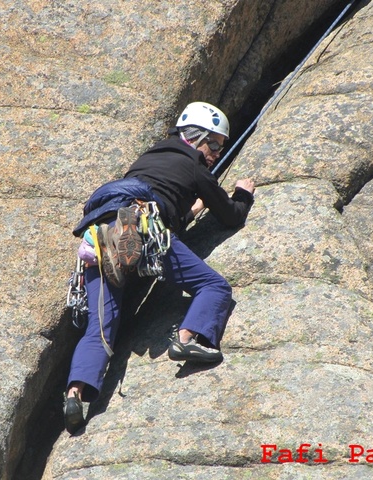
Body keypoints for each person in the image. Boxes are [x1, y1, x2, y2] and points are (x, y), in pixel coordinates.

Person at [64, 102, 255, 434]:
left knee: (101, 327)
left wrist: (191, 210)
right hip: (144, 224)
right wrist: (243, 194)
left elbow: (169, 205)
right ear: (198, 138)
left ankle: (75, 394)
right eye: (214, 144)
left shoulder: (149, 160)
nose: (215, 153)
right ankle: (188, 337)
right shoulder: (193, 166)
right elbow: (230, 215)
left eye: (221, 148)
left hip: (102, 230)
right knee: (214, 287)